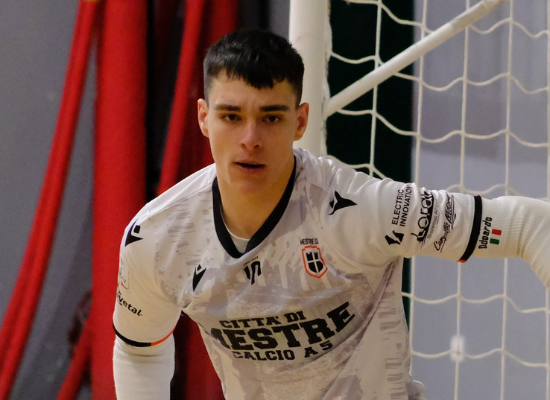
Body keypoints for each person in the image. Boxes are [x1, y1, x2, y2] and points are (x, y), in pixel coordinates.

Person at [112, 29, 550, 400]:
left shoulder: (359, 210)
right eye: (231, 116)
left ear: (300, 121)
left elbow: (531, 225)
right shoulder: (157, 236)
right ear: (204, 118)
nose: (250, 139)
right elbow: (139, 350)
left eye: (270, 118)